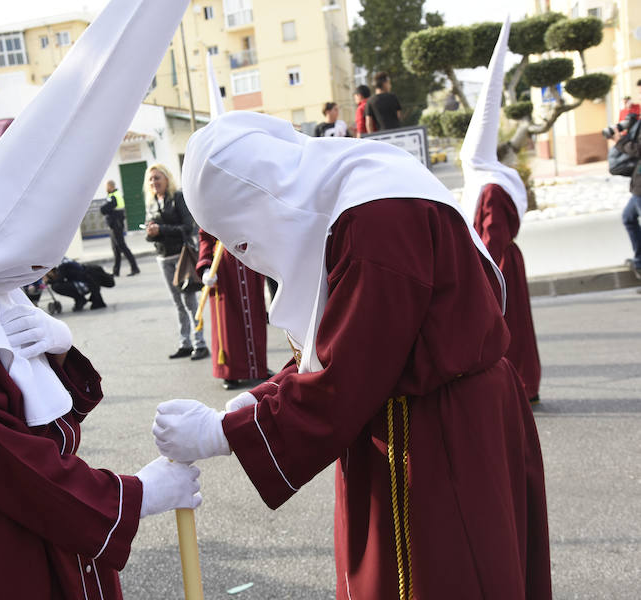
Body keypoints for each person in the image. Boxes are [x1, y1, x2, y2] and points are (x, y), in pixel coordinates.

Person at [0, 1, 201, 598]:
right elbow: (4, 458)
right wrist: (136, 495)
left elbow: (58, 413)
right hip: (5, 531)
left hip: (51, 512)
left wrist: (62, 346)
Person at [154, 108, 552, 599]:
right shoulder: (351, 190)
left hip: (436, 437)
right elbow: (341, 340)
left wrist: (224, 433)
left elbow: (345, 375)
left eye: (243, 240)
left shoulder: (375, 218)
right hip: (420, 419)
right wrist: (253, 402)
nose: (248, 255)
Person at [461, 18, 541, 404]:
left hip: (499, 264)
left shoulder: (490, 186)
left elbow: (491, 235)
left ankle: (520, 387)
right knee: (516, 328)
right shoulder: (493, 179)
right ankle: (524, 384)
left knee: (509, 330)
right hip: (506, 261)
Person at [144, 163, 210, 360]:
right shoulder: (152, 202)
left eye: (157, 177)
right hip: (163, 257)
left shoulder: (178, 197)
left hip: (182, 257)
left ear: (166, 179)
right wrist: (151, 233)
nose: (154, 182)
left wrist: (161, 230)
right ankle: (185, 343)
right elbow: (151, 235)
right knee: (178, 303)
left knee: (189, 301)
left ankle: (200, 344)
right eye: (151, 179)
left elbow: (188, 227)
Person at [197, 229, 269, 390]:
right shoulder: (210, 205)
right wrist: (205, 267)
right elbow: (205, 238)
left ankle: (257, 368)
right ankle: (230, 373)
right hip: (223, 267)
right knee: (227, 323)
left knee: (254, 317)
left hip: (249, 262)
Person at [615, 109, 641, 281]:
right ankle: (639, 261)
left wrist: (620, 141)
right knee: (628, 217)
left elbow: (638, 149)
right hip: (638, 185)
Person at [100, 180, 140, 276]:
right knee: (116, 248)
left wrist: (102, 209)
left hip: (116, 225)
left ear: (110, 186)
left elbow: (108, 207)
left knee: (122, 246)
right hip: (114, 225)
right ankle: (116, 271)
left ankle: (135, 268)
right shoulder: (114, 195)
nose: (106, 188)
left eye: (106, 186)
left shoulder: (114, 196)